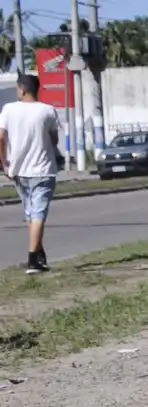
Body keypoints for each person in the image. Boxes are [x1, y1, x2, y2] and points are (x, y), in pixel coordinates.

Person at [0, 73, 62, 273]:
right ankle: (33, 258)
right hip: (42, 169)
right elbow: (54, 140)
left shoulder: (8, 110)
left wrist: (5, 163)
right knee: (38, 213)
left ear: (22, 89)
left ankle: (39, 252)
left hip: (18, 170)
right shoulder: (48, 111)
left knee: (30, 213)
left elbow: (1, 138)